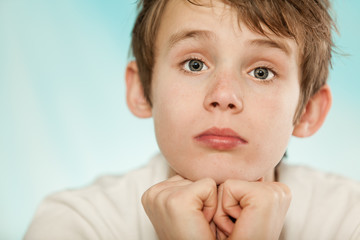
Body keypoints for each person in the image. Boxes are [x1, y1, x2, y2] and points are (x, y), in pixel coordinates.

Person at [25, 0, 360, 239]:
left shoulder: (350, 220)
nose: (224, 95)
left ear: (307, 111)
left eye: (262, 71)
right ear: (142, 89)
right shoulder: (75, 224)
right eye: (195, 64)